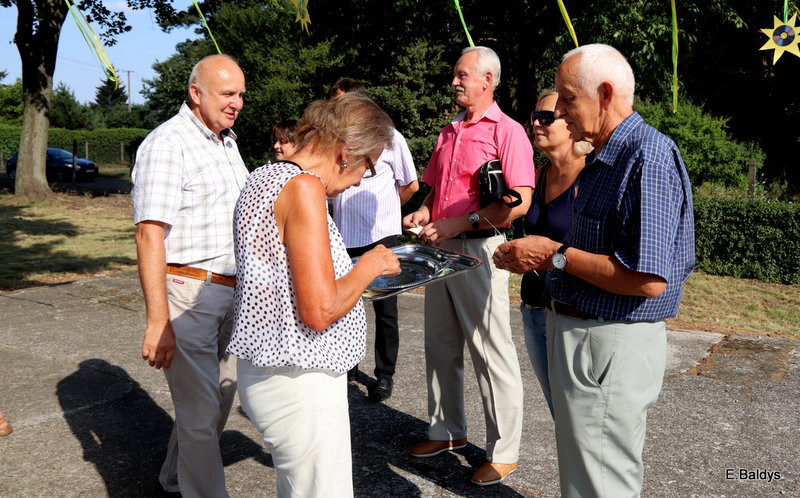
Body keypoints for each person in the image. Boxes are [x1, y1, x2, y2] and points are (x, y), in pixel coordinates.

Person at [493, 44, 695, 497]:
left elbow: (648, 278)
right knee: (585, 478)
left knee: (602, 484)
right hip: (587, 336)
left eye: (567, 98)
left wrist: (552, 255)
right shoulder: (606, 158)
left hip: (610, 340)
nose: (559, 111)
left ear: (604, 94)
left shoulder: (647, 157)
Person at [227, 92, 401, 498]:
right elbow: (320, 310)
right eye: (368, 166)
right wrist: (369, 266)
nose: (360, 180)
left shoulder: (263, 176)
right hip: (300, 380)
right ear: (344, 152)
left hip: (271, 369)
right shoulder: (303, 188)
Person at [402, 46, 534, 486]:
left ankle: (505, 451)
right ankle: (447, 432)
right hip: (442, 247)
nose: (455, 81)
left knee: (490, 350)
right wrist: (425, 212)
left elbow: (519, 199)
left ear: (487, 80)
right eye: (455, 74)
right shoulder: (449, 130)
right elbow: (434, 188)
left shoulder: (509, 131)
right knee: (440, 344)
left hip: (481, 249)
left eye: (463, 75)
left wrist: (464, 219)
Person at [132, 54, 248, 497]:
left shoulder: (227, 143)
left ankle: (175, 478)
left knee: (218, 400)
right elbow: (148, 234)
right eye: (227, 94)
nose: (236, 103)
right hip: (187, 294)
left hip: (231, 297)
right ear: (195, 93)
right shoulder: (169, 142)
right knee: (200, 416)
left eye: (240, 94)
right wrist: (159, 321)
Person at [329, 78, 419, 402]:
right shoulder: (333, 138)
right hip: (342, 233)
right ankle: (348, 364)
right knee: (345, 302)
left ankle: (384, 375)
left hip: (381, 233)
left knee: (385, 308)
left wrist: (389, 211)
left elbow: (410, 184)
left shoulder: (391, 138)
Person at [518, 89, 591, 417]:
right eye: (534, 116)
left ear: (571, 123)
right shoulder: (539, 174)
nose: (535, 123)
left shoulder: (590, 178)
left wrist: (552, 257)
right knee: (558, 415)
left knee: (580, 417)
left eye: (545, 117)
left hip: (571, 317)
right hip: (533, 308)